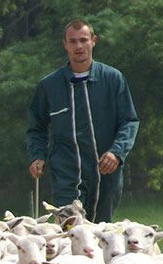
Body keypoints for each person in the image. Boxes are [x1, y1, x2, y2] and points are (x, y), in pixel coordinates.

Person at [26, 19, 139, 223]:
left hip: (105, 170)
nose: (79, 46)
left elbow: (129, 121)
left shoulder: (113, 79)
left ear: (93, 41)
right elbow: (37, 127)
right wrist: (37, 155)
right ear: (65, 44)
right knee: (69, 227)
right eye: (73, 41)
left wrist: (116, 152)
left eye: (83, 40)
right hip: (67, 172)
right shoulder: (49, 86)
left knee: (101, 230)